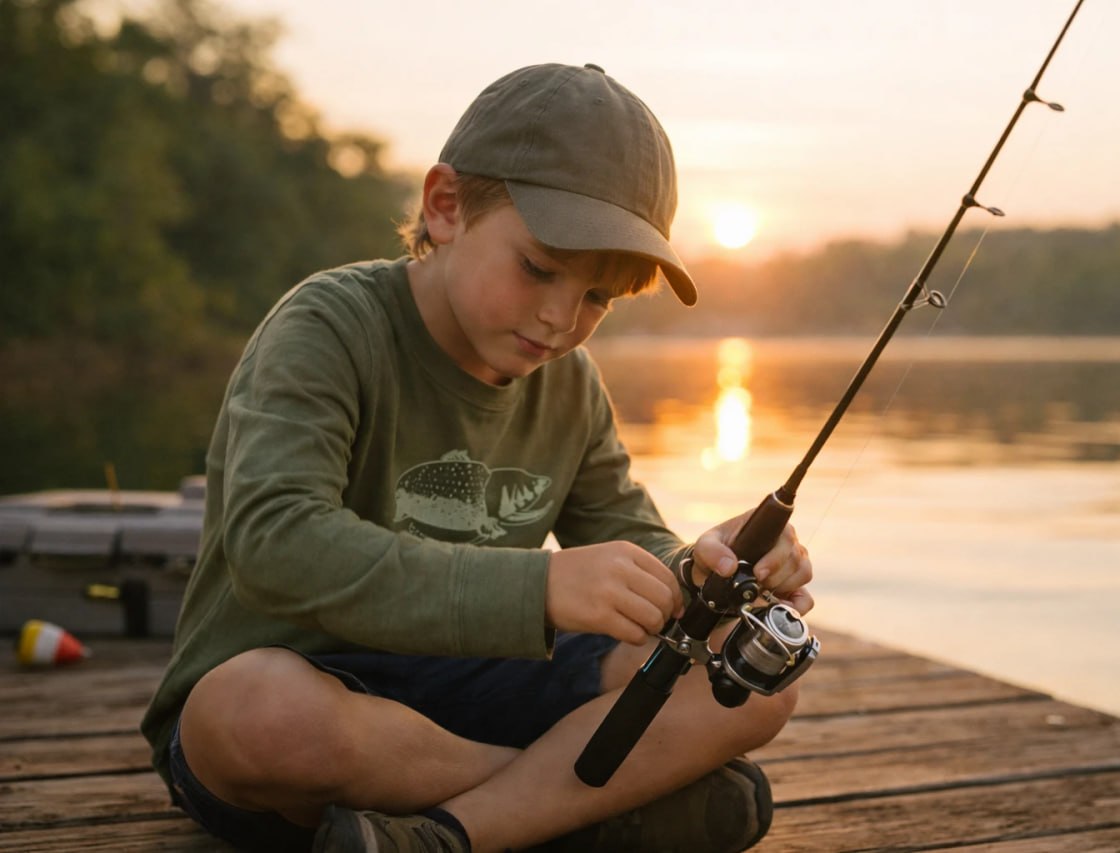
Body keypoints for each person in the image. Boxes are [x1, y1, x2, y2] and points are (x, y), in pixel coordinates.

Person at [141, 62, 814, 853]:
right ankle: (566, 806)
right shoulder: (328, 324)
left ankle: (449, 835)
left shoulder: (568, 383)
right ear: (446, 206)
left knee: (750, 687)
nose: (563, 317)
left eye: (600, 296)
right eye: (539, 267)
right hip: (302, 684)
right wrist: (540, 587)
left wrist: (704, 570)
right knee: (253, 716)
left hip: (465, 688)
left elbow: (635, 544)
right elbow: (275, 541)